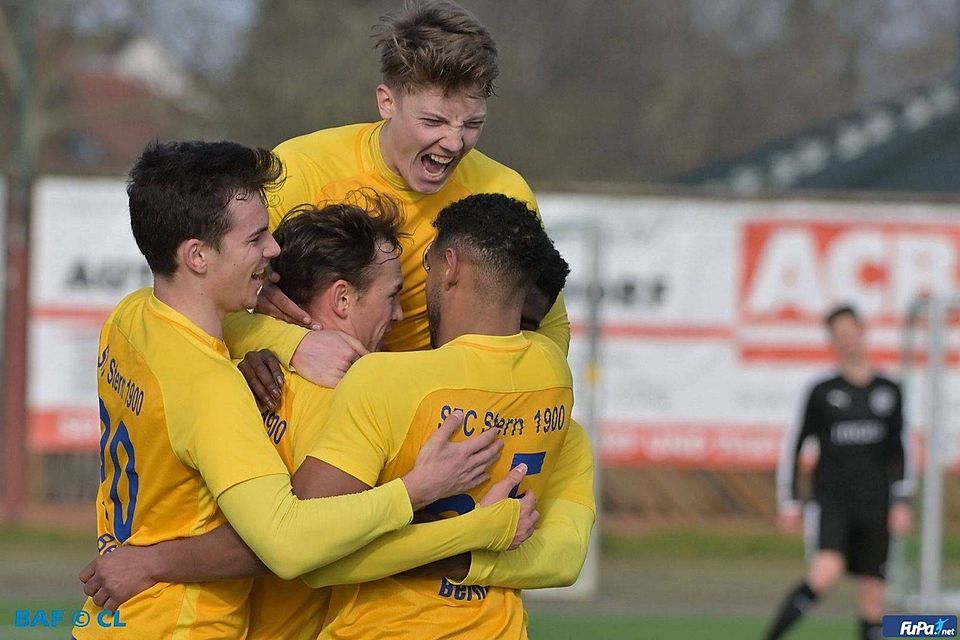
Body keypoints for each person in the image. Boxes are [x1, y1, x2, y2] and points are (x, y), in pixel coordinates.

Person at [74, 141, 522, 639]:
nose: (272, 250)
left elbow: (231, 331)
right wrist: (419, 492)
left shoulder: (130, 319)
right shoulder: (218, 392)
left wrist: (294, 342)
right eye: (256, 238)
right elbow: (285, 544)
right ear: (198, 256)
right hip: (182, 625)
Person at [222, 0, 570, 382]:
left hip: (440, 409)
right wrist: (292, 344)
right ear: (387, 101)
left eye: (472, 124)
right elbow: (202, 300)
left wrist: (515, 395)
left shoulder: (501, 192)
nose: (454, 143)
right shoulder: (301, 169)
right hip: (316, 399)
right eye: (433, 121)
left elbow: (550, 325)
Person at [296, 193, 590, 639]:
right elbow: (565, 557)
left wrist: (453, 537)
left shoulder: (386, 379)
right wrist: (477, 546)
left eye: (428, 267)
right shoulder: (554, 382)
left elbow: (309, 549)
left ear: (450, 266)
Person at [763, 305, 914, 640]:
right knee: (824, 574)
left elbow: (901, 448)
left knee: (873, 599)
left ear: (863, 331)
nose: (847, 340)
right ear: (831, 341)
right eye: (839, 335)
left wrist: (902, 498)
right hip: (834, 502)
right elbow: (796, 445)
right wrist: (790, 501)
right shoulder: (822, 391)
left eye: (851, 331)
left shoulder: (889, 390)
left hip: (876, 503)